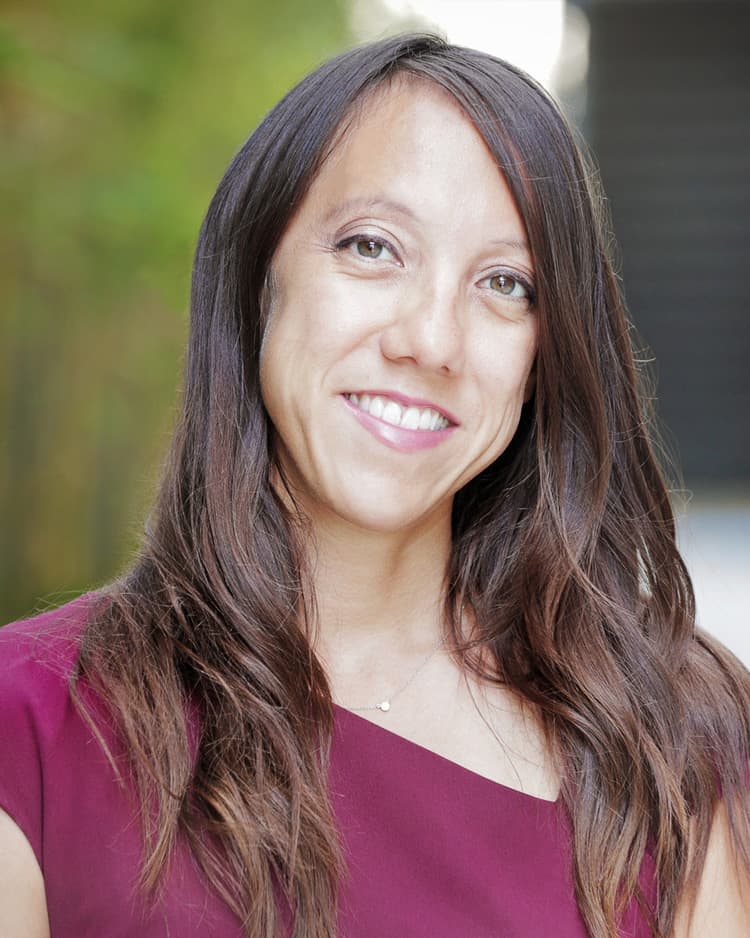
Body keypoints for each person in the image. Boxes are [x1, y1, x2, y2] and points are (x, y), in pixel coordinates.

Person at [1, 33, 748, 938]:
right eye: (372, 247)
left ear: (545, 356)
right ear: (257, 273)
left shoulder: (670, 732)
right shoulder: (32, 728)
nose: (430, 340)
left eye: (506, 284)